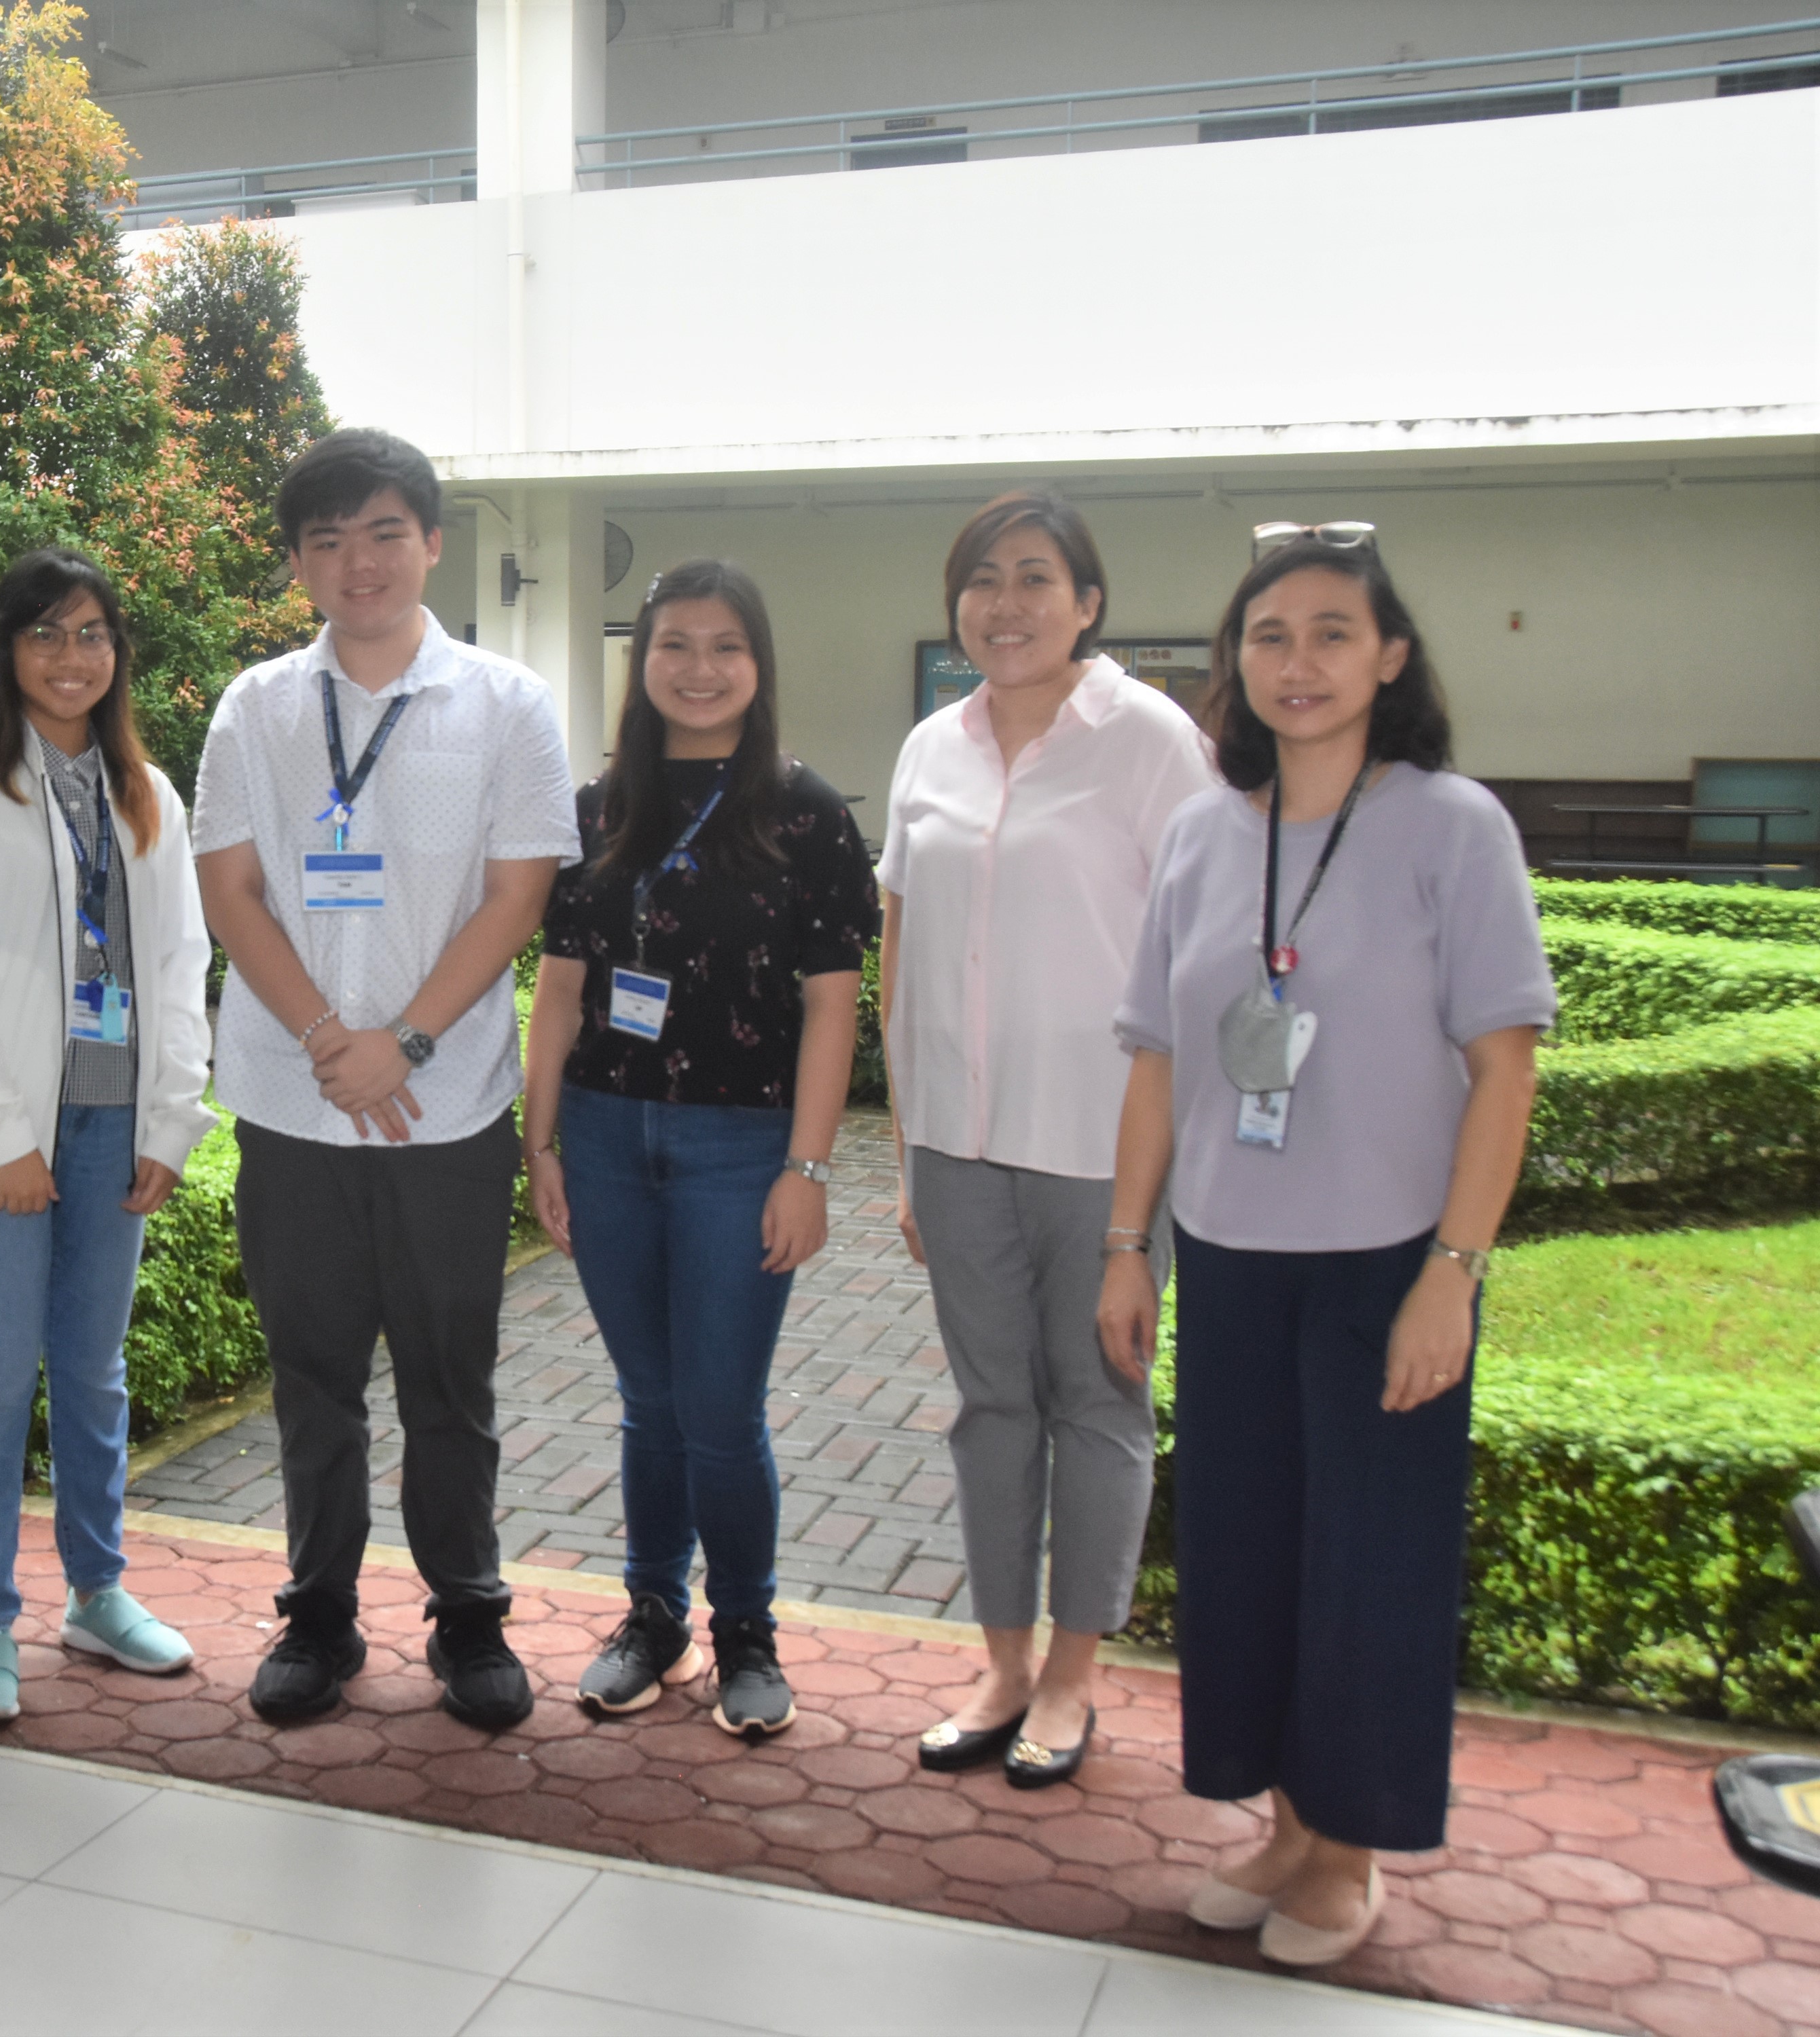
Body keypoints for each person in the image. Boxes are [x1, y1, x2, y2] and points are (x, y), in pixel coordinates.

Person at [1099, 525, 1550, 1965]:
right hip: (1229, 1254)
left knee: (1370, 1562)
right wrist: (1127, 1246)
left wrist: (1452, 1276)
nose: (1298, 663)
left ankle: (1349, 1846)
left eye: (1332, 634)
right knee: (1246, 1555)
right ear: (1235, 660)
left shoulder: (1449, 824)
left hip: (1384, 1261)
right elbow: (1159, 1057)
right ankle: (1287, 1822)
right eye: (1270, 635)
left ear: (1391, 658)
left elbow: (1505, 1065)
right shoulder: (1201, 832)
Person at [193, 427, 580, 1730]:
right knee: (311, 1376)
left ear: (429, 539)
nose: (356, 562)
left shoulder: (508, 704)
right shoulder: (254, 706)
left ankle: (469, 1616)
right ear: (300, 563)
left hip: (447, 1103)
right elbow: (231, 890)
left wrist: (401, 1042)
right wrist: (326, 1041)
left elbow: (518, 894)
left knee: (447, 1378)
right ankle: (319, 1617)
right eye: (327, 540)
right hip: (292, 1100)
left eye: (382, 532)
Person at [878, 490, 1212, 1788]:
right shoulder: (931, 749)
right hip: (958, 1144)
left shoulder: (1149, 741)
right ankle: (1005, 1662)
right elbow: (899, 946)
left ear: (1088, 602)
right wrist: (908, 1146)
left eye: (1035, 578)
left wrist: (1144, 1212)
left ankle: (1076, 1678)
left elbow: (1193, 964)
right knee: (991, 1408)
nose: (1005, 603)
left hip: (1102, 1147)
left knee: (1099, 1400)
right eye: (982, 581)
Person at [524, 560, 875, 1736]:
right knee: (648, 1402)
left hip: (742, 1148)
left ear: (759, 664)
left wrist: (808, 1168)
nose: (700, 668)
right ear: (644, 661)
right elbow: (563, 986)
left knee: (721, 1409)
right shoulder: (595, 808)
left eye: (726, 646)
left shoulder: (807, 812)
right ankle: (653, 1619)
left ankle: (747, 1638)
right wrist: (543, 1144)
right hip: (612, 1138)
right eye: (674, 645)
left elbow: (835, 1003)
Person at [0, 548, 218, 1723]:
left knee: (92, 1370)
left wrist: (171, 1119)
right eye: (45, 634)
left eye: (91, 634)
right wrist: (3, 1138)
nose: (70, 657)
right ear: (5, 651)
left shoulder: (150, 796)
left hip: (113, 1119)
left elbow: (181, 964)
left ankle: (98, 1591)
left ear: (116, 653)